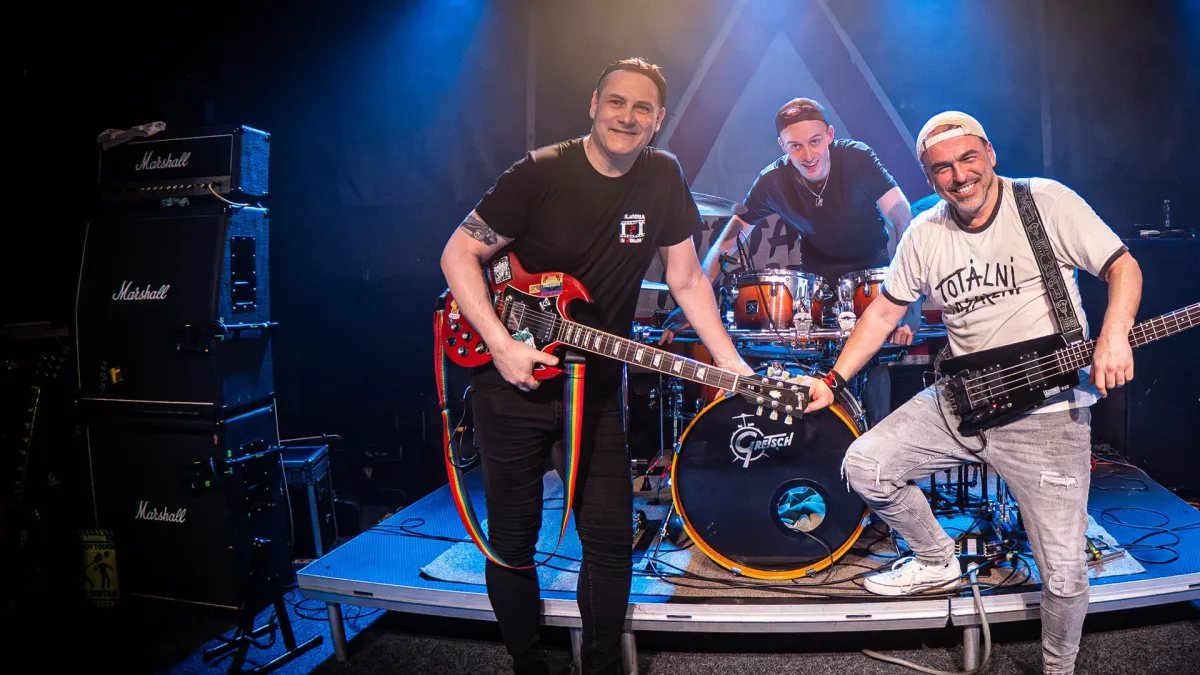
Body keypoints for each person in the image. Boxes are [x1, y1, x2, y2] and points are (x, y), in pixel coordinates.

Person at [439, 57, 754, 675]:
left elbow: (687, 278)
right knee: (512, 540)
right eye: (616, 102)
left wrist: (731, 363)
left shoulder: (662, 175)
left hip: (595, 388)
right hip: (512, 383)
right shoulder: (540, 171)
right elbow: (458, 254)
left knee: (610, 540)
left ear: (658, 120)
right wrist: (501, 345)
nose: (627, 117)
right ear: (593, 104)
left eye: (642, 109)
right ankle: (528, 663)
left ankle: (602, 666)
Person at [804, 111, 1142, 674]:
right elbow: (884, 312)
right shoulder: (924, 232)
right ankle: (938, 559)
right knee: (867, 464)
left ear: (989, 154)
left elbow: (1122, 267)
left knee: (1063, 575)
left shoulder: (1043, 202)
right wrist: (832, 380)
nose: (960, 176)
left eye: (968, 159)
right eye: (943, 168)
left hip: (1047, 417)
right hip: (962, 401)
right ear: (929, 176)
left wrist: (1113, 335)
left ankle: (1059, 669)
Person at [659, 97, 921, 345]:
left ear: (830, 135)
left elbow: (902, 218)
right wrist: (693, 305)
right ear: (782, 146)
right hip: (818, 283)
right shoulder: (772, 181)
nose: (808, 155)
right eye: (795, 146)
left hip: (873, 276)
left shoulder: (857, 158)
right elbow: (726, 243)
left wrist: (908, 302)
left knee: (873, 362)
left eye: (815, 141)